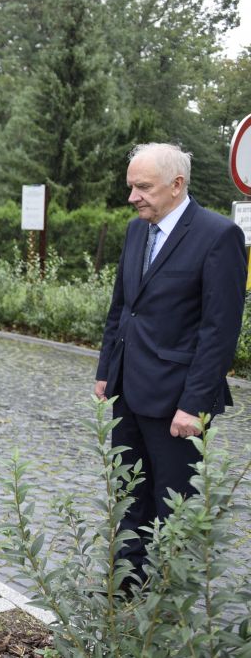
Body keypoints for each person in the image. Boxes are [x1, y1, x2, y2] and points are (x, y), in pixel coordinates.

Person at [96, 142, 247, 581]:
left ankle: (168, 594)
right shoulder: (136, 230)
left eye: (143, 187)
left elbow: (219, 331)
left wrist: (194, 405)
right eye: (131, 187)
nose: (133, 197)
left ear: (177, 184)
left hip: (176, 400)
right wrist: (106, 371)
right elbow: (122, 308)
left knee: (173, 504)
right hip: (127, 389)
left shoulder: (218, 236)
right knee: (129, 493)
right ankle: (127, 585)